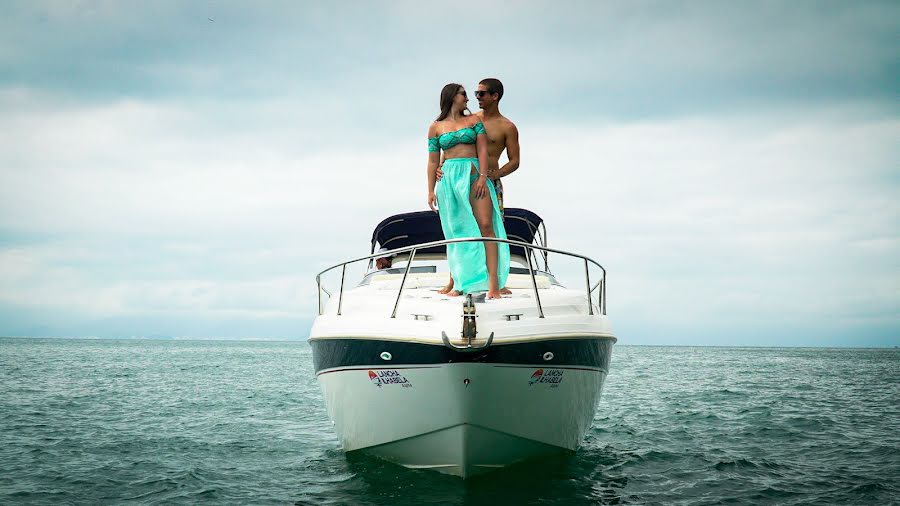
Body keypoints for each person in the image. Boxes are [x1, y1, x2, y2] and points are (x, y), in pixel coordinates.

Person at [436, 78, 519, 295]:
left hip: (489, 181)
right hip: (463, 179)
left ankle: (496, 282)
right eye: (475, 93)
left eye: (482, 94)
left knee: (490, 228)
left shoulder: (507, 126)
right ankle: (455, 280)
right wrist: (441, 166)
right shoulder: (471, 120)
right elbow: (452, 143)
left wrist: (494, 175)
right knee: (459, 227)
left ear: (495, 96)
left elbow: (515, 160)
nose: (477, 98)